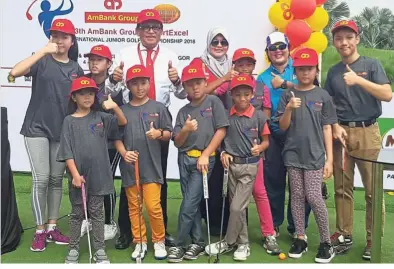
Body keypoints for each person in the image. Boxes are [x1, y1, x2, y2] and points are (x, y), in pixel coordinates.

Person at [105, 8, 187, 248]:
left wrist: (176, 81)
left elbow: (181, 93)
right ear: (137, 30)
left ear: (162, 31)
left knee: (157, 179)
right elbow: (110, 93)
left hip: (158, 119)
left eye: (156, 27)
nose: (151, 31)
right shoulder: (124, 54)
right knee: (130, 177)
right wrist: (112, 79)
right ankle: (128, 233)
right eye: (146, 27)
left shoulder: (170, 55)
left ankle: (159, 235)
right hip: (130, 119)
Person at [9, 18, 84, 252]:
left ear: (72, 41)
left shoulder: (76, 68)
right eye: (55, 36)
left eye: (64, 36)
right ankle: (40, 230)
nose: (59, 40)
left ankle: (52, 227)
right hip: (36, 129)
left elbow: (82, 102)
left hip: (61, 132)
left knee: (55, 181)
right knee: (40, 179)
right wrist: (42, 51)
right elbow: (14, 72)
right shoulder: (41, 60)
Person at [325, 19, 392, 260]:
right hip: (341, 134)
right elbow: (328, 106)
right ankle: (344, 234)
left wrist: (359, 80)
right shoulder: (333, 72)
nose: (344, 42)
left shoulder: (371, 65)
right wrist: (334, 126)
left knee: (373, 191)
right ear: (334, 42)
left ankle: (373, 238)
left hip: (367, 133)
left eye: (348, 37)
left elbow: (386, 94)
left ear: (357, 39)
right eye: (339, 38)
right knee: (342, 188)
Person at [56, 76, 127, 264]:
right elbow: (67, 150)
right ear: (74, 97)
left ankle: (100, 250)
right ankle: (73, 248)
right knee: (77, 213)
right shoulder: (68, 121)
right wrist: (75, 175)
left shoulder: (102, 118)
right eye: (82, 94)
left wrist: (115, 107)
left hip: (99, 175)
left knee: (97, 214)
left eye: (91, 94)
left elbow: (122, 122)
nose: (87, 97)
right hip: (78, 178)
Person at [216, 48, 280, 254]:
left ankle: (269, 234)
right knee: (237, 200)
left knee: (260, 193)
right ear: (234, 66)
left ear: (254, 65)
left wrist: (259, 146)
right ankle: (240, 241)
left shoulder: (262, 86)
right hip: (233, 152)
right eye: (240, 64)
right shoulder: (226, 86)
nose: (244, 67)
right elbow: (209, 96)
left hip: (253, 153)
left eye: (248, 64)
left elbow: (266, 118)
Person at [276, 48, 337, 263]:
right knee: (297, 197)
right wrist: (290, 109)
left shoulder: (323, 95)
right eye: (300, 69)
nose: (305, 73)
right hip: (293, 155)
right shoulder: (287, 95)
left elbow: (328, 128)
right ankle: (300, 237)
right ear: (295, 71)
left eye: (309, 69)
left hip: (315, 156)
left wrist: (330, 159)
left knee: (314, 196)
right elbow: (282, 126)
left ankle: (326, 242)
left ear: (316, 70)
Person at [167, 64, 229, 263]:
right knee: (190, 201)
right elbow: (177, 141)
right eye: (190, 84)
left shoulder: (213, 102)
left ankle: (179, 244)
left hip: (204, 160)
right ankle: (197, 242)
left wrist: (206, 154)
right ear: (184, 87)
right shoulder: (184, 110)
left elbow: (221, 130)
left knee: (189, 203)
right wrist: (185, 129)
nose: (195, 87)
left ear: (205, 82)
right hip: (184, 158)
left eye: (199, 82)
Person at [205, 75, 270, 261]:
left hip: (250, 166)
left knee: (235, 208)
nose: (242, 98)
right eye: (238, 94)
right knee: (239, 209)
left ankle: (229, 241)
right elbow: (220, 139)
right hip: (231, 166)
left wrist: (260, 148)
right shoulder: (226, 115)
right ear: (231, 94)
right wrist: (223, 152)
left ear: (252, 95)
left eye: (246, 94)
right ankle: (243, 244)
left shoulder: (258, 115)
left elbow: (266, 141)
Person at [115, 65, 173, 261]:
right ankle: (139, 241)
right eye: (135, 83)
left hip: (153, 166)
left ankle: (159, 241)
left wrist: (158, 133)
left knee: (153, 206)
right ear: (128, 85)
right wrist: (124, 152)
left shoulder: (159, 107)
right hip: (131, 168)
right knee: (134, 207)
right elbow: (116, 137)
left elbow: (169, 133)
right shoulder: (122, 110)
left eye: (143, 82)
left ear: (149, 83)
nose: (140, 87)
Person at [256, 32, 312, 238]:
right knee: (274, 181)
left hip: (301, 134)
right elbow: (263, 110)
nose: (278, 50)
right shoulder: (261, 78)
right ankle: (275, 224)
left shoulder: (299, 70)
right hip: (275, 134)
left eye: (282, 46)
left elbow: (312, 89)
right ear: (268, 52)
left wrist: (285, 84)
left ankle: (297, 226)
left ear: (289, 47)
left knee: (301, 185)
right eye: (273, 48)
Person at [189, 27, 236, 236]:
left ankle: (220, 223)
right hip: (205, 127)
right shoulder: (199, 63)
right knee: (203, 175)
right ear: (208, 43)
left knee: (221, 176)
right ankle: (200, 222)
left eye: (223, 42)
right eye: (214, 42)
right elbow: (196, 92)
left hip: (230, 127)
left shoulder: (232, 64)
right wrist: (224, 78)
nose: (219, 46)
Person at [80, 45, 123, 241]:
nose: (93, 63)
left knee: (106, 180)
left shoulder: (117, 86)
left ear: (109, 64)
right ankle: (89, 218)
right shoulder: (82, 82)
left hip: (111, 143)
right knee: (86, 180)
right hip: (87, 142)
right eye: (91, 59)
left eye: (99, 59)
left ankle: (108, 222)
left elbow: (122, 117)